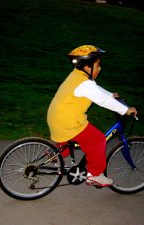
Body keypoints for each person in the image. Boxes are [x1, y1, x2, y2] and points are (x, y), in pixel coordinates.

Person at [47, 45, 138, 187]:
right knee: (98, 139)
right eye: (97, 65)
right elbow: (102, 100)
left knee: (67, 138)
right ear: (87, 67)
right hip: (68, 122)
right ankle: (95, 175)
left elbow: (95, 90)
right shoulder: (84, 84)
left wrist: (110, 94)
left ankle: (53, 156)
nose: (99, 69)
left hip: (56, 117)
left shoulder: (77, 76)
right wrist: (125, 110)